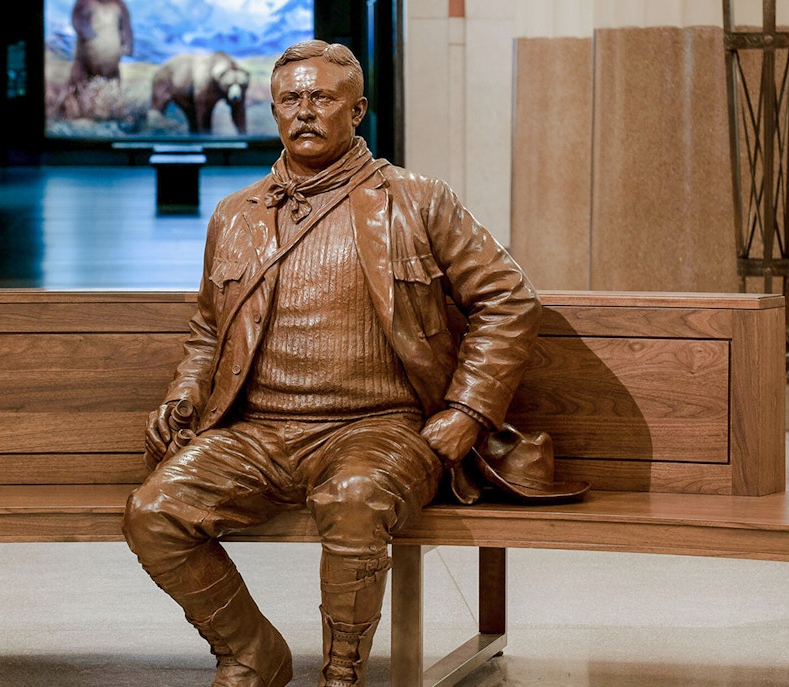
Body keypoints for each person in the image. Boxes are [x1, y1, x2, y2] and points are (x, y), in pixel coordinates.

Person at [122, 40, 541, 687]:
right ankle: (250, 653)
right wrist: (185, 396)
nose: (305, 110)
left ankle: (342, 675)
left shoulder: (418, 201)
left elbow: (507, 298)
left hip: (380, 429)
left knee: (354, 498)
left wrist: (468, 409)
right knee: (153, 511)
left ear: (358, 110)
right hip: (257, 434)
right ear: (273, 110)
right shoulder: (235, 216)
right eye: (290, 98)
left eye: (321, 97)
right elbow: (209, 331)